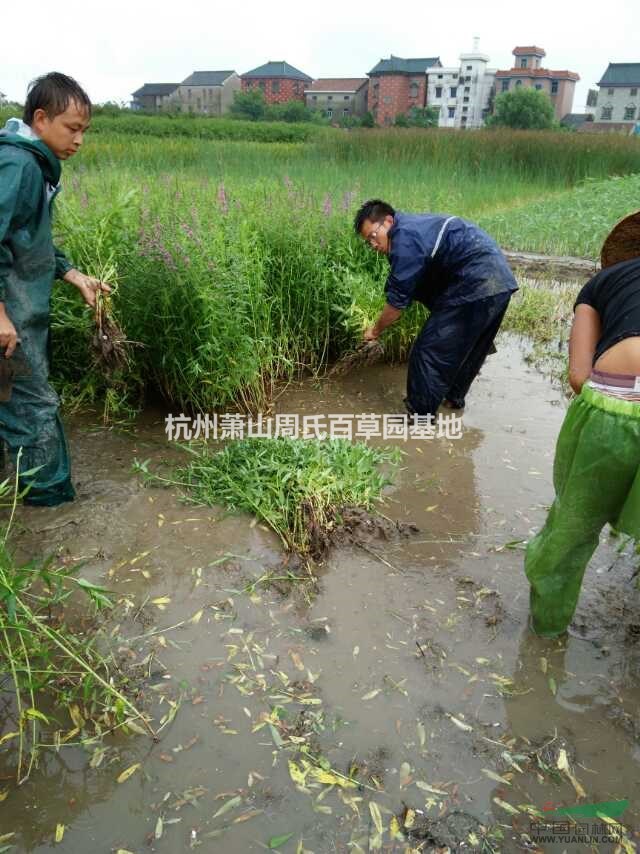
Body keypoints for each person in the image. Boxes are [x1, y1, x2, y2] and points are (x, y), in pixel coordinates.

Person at [0, 72, 110, 506]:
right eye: (73, 128)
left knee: (10, 401)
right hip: (9, 319)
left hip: (17, 312)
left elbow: (28, 237)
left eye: (84, 131)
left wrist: (71, 273)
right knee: (33, 407)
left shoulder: (31, 163)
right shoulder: (19, 164)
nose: (79, 140)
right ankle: (50, 508)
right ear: (41, 119)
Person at [525, 256, 640, 637]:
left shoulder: (603, 282)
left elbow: (579, 376)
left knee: (572, 528)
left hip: (615, 406)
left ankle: (546, 630)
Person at [354, 199, 518, 417]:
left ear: (388, 222)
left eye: (373, 236)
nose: (373, 245)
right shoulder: (415, 228)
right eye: (368, 242)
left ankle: (420, 416)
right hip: (499, 282)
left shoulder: (404, 239)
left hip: (475, 282)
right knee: (470, 348)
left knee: (427, 351)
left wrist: (375, 331)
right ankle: (452, 400)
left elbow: (396, 304)